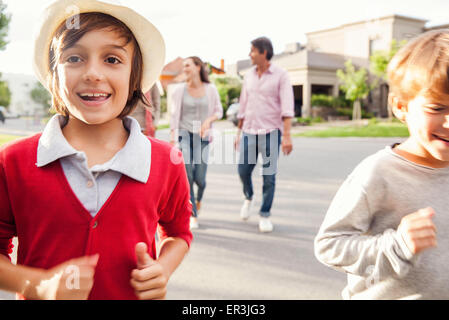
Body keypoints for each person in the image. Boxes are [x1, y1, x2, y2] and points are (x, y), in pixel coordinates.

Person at [0, 0, 192, 300]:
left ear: (135, 78)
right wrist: (38, 285)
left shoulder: (167, 161)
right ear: (53, 75)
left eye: (112, 60)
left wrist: (162, 269)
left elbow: (179, 234)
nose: (92, 73)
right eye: (74, 58)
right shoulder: (11, 162)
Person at [314, 30, 449, 299]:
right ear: (401, 106)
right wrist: (396, 246)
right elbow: (329, 245)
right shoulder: (378, 172)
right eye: (436, 108)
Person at [234, 37, 294, 233]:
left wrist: (286, 136)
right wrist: (238, 133)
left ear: (264, 52)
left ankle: (265, 214)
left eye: (252, 51)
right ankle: (248, 196)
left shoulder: (281, 75)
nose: (249, 54)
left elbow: (287, 107)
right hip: (249, 131)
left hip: (271, 133)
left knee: (269, 177)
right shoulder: (248, 76)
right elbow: (243, 105)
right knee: (243, 171)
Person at [169, 56, 223, 229]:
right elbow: (174, 116)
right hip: (184, 135)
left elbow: (219, 111)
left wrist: (208, 121)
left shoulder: (211, 89)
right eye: (183, 66)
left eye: (187, 65)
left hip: (203, 137)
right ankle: (192, 214)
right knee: (187, 174)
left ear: (198, 67)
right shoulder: (179, 90)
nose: (184, 68)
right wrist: (172, 139)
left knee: (200, 179)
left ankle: (199, 199)